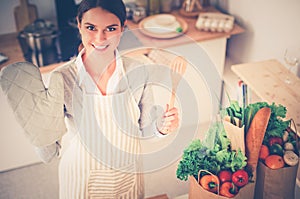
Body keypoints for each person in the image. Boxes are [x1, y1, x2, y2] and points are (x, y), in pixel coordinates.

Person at [0, 0, 179, 198]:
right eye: (91, 27)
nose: (100, 38)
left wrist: (161, 128)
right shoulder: (63, 78)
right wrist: (33, 122)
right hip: (81, 177)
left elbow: (144, 131)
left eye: (110, 28)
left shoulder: (139, 71)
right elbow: (49, 154)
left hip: (128, 176)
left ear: (123, 27)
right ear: (79, 25)